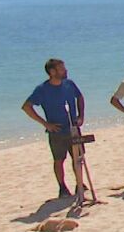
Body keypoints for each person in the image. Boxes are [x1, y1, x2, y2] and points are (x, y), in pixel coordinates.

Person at [21, 58, 85, 198]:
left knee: (78, 157)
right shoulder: (42, 90)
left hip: (73, 128)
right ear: (52, 72)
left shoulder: (69, 84)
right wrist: (45, 124)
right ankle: (62, 187)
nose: (66, 70)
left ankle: (80, 183)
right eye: (62, 68)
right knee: (59, 160)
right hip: (57, 131)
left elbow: (80, 97)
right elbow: (26, 107)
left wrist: (81, 116)